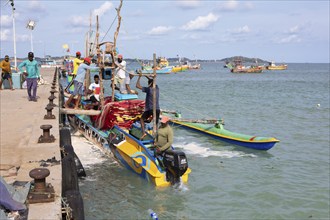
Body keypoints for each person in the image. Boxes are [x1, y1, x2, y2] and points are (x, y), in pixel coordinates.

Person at [136, 74, 160, 139]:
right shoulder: (157, 88)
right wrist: (146, 76)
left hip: (150, 109)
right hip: (157, 109)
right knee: (156, 123)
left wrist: (139, 77)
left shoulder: (148, 89)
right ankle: (156, 136)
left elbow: (137, 86)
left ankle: (143, 133)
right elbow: (152, 81)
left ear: (149, 84)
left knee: (141, 119)